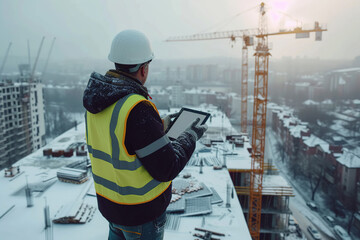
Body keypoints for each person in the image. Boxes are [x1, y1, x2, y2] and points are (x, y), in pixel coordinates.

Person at [83, 29, 208, 240]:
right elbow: (167, 167)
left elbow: (123, 138)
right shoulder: (136, 107)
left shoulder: (97, 100)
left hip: (111, 207)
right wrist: (191, 135)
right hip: (140, 214)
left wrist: (162, 125)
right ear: (143, 69)